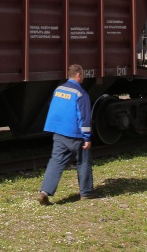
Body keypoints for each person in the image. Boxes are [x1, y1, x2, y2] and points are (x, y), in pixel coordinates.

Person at [37, 64, 95, 204]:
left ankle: (44, 191)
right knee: (83, 162)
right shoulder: (81, 93)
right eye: (83, 75)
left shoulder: (59, 89)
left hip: (59, 133)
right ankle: (86, 193)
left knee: (56, 162)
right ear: (79, 75)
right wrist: (87, 137)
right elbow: (84, 117)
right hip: (76, 136)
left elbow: (56, 110)